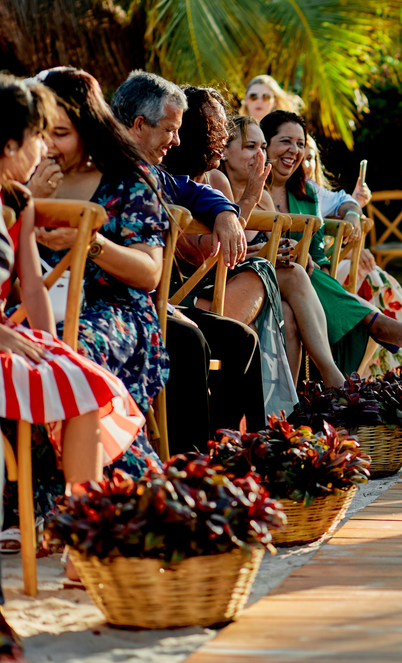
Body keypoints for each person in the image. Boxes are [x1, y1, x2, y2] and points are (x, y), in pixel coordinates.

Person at [0, 74, 146, 501]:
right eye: (37, 137)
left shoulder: (18, 205)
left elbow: (32, 289)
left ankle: (80, 521)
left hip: (12, 336)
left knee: (85, 383)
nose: (44, 148)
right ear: (10, 145)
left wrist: (48, 347)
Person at [110, 74, 268, 443]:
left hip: (154, 298)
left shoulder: (150, 170)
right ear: (138, 126)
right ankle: (191, 468)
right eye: (170, 129)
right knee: (188, 339)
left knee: (240, 338)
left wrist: (227, 214)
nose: (177, 141)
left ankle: (246, 455)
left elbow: (191, 189)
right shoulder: (104, 167)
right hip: (117, 302)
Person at [260, 111, 402, 377]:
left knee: (323, 272)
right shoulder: (251, 189)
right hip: (273, 279)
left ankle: (372, 327)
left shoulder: (310, 192)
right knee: (303, 270)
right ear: (265, 143)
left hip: (315, 281)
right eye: (285, 141)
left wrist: (352, 213)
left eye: (300, 144)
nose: (294, 150)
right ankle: (374, 320)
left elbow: (343, 201)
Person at [32, 68, 170, 427]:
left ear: (88, 128)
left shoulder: (128, 177)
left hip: (114, 311)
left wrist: (89, 243)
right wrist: (30, 201)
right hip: (36, 305)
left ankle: (87, 476)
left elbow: (149, 272)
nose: (47, 145)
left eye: (60, 133)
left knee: (66, 355)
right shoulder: (23, 173)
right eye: (40, 132)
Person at [302, 136, 402, 373]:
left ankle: (400, 363)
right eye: (301, 157)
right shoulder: (295, 195)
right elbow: (320, 247)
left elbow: (339, 227)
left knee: (370, 274)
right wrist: (347, 253)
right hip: (317, 271)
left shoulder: (318, 194)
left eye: (311, 157)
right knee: (371, 276)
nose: (305, 163)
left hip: (327, 268)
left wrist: (355, 208)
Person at [221, 115, 341, 393]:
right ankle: (332, 377)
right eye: (251, 146)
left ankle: (288, 409)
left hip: (261, 286)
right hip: (220, 286)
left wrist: (293, 253)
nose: (260, 155)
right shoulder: (217, 184)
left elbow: (277, 247)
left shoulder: (262, 196)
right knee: (294, 273)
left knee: (289, 302)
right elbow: (217, 249)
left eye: (263, 148)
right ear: (224, 151)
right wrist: (264, 253)